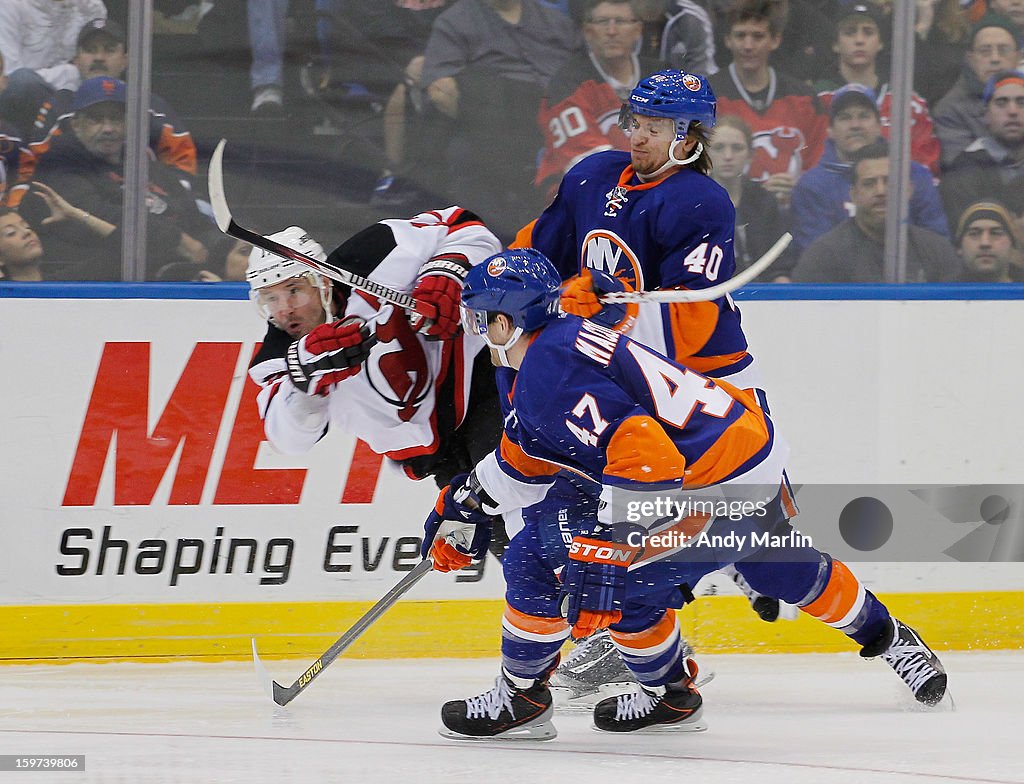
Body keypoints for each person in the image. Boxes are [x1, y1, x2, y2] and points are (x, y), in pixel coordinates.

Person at [419, 248, 948, 739]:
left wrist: (610, 547)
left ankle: (570, 699)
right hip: (737, 455)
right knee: (768, 562)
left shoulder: (545, 370)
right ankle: (889, 637)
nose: (477, 332)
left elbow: (645, 454)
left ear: (506, 321)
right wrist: (463, 501)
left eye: (480, 319)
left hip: (709, 485)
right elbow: (533, 449)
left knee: (578, 570)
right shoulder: (553, 346)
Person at [516, 68, 783, 702]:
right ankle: (625, 638)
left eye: (654, 126)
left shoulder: (701, 201)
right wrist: (493, 290)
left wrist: (602, 304)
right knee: (602, 511)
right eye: (633, 120)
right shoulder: (590, 174)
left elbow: (686, 317)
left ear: (688, 136)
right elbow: (536, 251)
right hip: (613, 370)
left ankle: (740, 559)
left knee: (745, 515)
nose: (636, 134)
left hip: (700, 378)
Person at [247, 209, 510, 540]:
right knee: (518, 556)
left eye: (294, 290)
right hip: (444, 460)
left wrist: (448, 271)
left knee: (534, 528)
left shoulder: (375, 251)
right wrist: (305, 381)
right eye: (271, 298)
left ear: (322, 281)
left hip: (486, 390)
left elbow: (466, 227)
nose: (284, 308)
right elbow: (289, 440)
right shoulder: (280, 358)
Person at [15, 77, 215, 281]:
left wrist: (218, 247)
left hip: (170, 272)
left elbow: (192, 214)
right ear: (75, 125)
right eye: (96, 119)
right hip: (94, 286)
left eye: (116, 119)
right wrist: (178, 240)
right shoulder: (60, 161)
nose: (108, 128)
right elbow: (95, 214)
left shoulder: (141, 163)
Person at [418, 0, 580, 239]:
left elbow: (583, 69)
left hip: (563, 118)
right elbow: (439, 87)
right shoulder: (457, 20)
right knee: (468, 155)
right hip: (494, 122)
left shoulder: (556, 22)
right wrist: (482, 119)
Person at [1, 19, 198, 186]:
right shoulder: (61, 105)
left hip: (151, 207)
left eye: (109, 50)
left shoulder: (149, 105)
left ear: (125, 60)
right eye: (90, 50)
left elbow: (182, 163)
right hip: (80, 205)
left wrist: (175, 202)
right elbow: (34, 166)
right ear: (76, 60)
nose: (99, 57)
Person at [790, 84, 949, 256]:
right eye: (845, 117)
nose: (855, 125)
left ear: (880, 125)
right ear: (830, 130)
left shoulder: (914, 175)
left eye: (864, 116)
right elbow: (815, 256)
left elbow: (937, 243)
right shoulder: (812, 186)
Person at [708, 0, 829, 208]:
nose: (748, 45)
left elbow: (820, 166)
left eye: (757, 36)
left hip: (794, 216)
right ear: (728, 40)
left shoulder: (804, 99)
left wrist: (800, 187)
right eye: (740, 36)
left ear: (775, 40)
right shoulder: (705, 99)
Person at [534, 0, 660, 195]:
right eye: (602, 22)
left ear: (638, 30)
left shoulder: (662, 77)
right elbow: (592, 167)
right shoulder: (567, 84)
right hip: (586, 198)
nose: (611, 31)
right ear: (587, 32)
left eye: (620, 21)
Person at [792, 141, 962, 282]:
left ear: (908, 189)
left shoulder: (938, 252)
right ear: (853, 195)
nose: (881, 191)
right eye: (869, 183)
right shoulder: (823, 257)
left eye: (889, 181)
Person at [814, 3, 941, 175]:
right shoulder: (815, 101)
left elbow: (927, 170)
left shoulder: (909, 104)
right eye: (850, 32)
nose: (859, 40)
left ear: (880, 43)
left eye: (868, 32)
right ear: (835, 44)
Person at [709, 114, 796, 281]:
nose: (728, 156)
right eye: (719, 148)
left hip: (762, 296)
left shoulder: (764, 202)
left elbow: (779, 266)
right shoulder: (691, 204)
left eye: (737, 148)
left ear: (750, 154)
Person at [933, 13, 1022, 168]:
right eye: (985, 51)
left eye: (1003, 50)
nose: (995, 58)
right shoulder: (950, 110)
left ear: (1019, 57)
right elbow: (961, 170)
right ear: (971, 59)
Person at [939, 69, 1024, 229]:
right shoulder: (962, 170)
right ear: (986, 114)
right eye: (1001, 103)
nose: (1013, 111)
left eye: (1022, 102)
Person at [0, 181, 117, 280]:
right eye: (11, 233)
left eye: (26, 226)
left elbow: (124, 250)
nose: (26, 232)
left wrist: (75, 214)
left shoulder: (66, 283)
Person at [0, 0, 107, 91]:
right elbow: (10, 79)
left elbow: (101, 67)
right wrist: (71, 73)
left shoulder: (91, 6)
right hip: (25, 100)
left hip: (77, 96)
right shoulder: (9, 5)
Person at [954, 200, 1021, 281]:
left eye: (996, 233)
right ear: (959, 247)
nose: (985, 243)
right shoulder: (941, 291)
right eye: (974, 234)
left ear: (1012, 246)